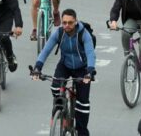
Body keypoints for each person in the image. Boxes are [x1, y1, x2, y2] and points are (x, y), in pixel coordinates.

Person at [33, 8, 96, 136]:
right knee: (55, 88)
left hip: (82, 68)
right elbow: (46, 50)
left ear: (76, 22)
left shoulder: (83, 33)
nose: (67, 25)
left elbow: (90, 53)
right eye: (64, 22)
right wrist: (37, 67)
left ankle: (82, 131)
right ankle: (61, 112)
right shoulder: (59, 33)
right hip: (65, 65)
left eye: (70, 22)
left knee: (82, 103)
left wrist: (90, 71)